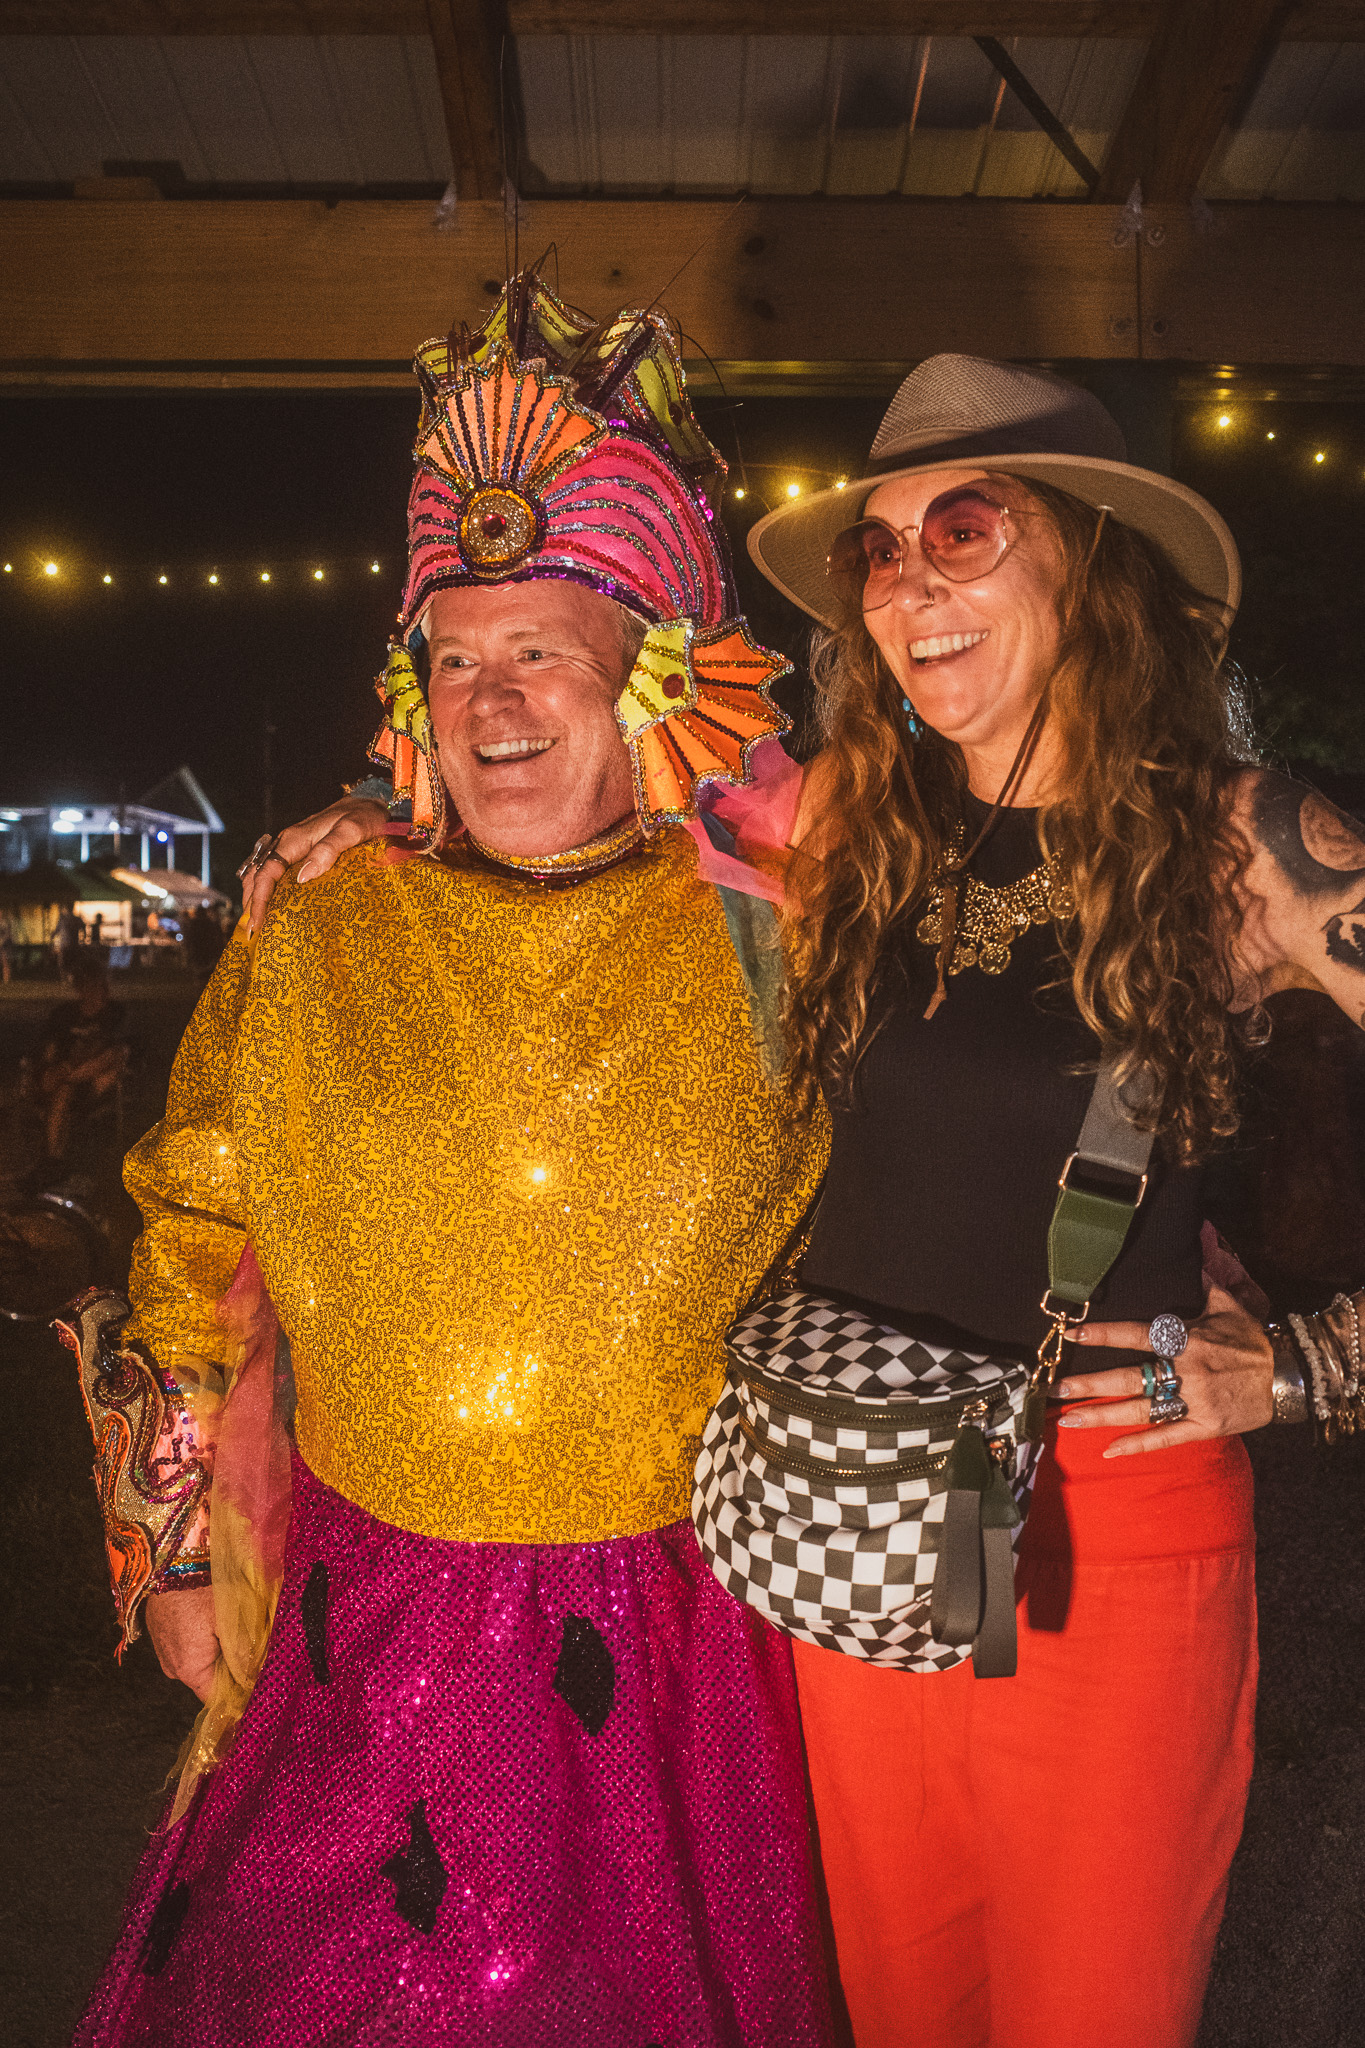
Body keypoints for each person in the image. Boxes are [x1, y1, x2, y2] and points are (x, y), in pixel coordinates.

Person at [273, 355, 1365, 2048]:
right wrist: (372, 816)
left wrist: (1300, 1367)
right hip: (847, 1509)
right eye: (879, 549)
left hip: (1105, 1530)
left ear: (1089, 553)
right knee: (903, 2008)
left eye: (964, 529)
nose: (909, 582)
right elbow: (552, 770)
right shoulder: (850, 819)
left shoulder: (1248, 842)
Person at [65, 275, 832, 2048]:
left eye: (539, 651)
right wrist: (167, 1551)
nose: (490, 699)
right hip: (358, 1633)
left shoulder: (786, 934)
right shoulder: (320, 922)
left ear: (650, 679)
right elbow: (191, 1224)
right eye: (455, 658)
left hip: (686, 1647)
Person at [37, 949, 130, 1160]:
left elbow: (110, 1045)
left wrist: (68, 1069)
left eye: (97, 984)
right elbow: (49, 1046)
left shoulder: (115, 1013)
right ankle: (54, 1157)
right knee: (64, 1090)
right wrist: (51, 1066)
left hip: (95, 1077)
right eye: (87, 984)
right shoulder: (64, 1014)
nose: (93, 990)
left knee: (116, 1053)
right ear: (79, 987)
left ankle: (68, 1076)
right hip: (64, 1077)